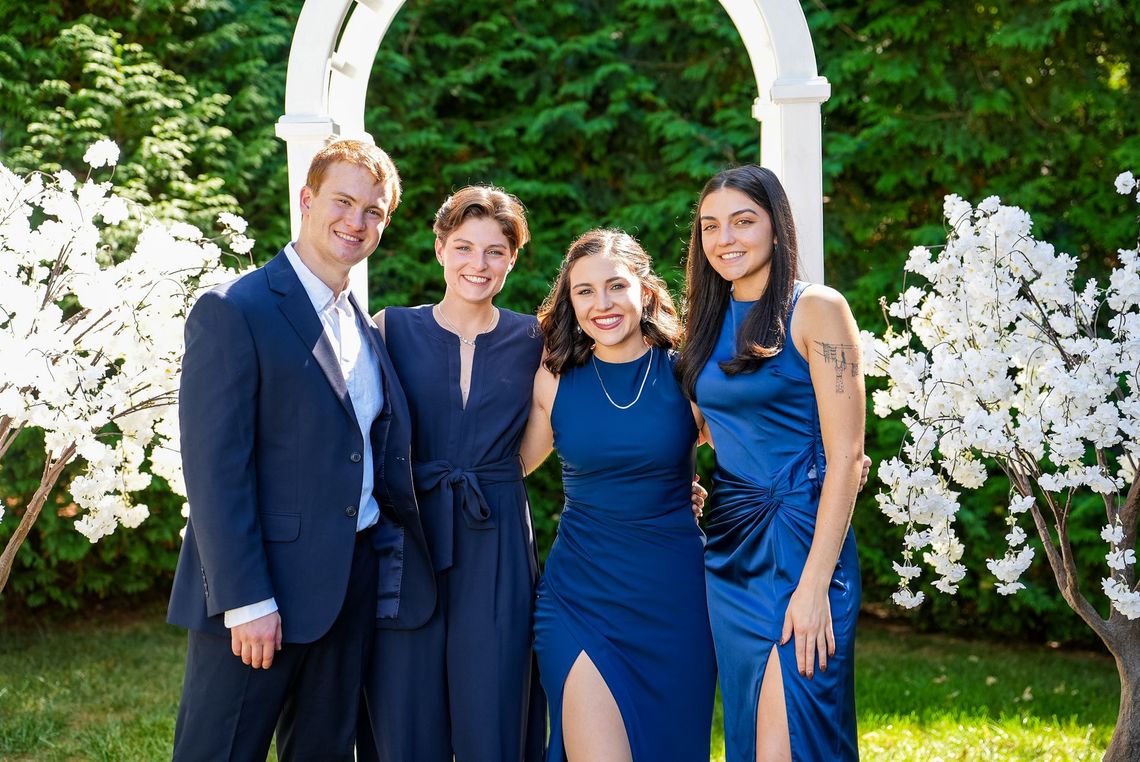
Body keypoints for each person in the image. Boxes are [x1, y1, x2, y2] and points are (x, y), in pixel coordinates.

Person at [167, 139, 435, 761]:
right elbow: (213, 472)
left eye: (374, 211)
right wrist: (246, 601)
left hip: (348, 586)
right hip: (259, 599)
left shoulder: (359, 322)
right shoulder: (237, 309)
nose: (357, 221)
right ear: (307, 199)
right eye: (343, 201)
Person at [675, 165, 864, 761]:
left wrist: (813, 587)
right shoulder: (704, 323)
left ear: (777, 229)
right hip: (730, 548)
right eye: (710, 226)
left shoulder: (817, 310)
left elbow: (847, 457)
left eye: (742, 221)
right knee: (753, 734)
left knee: (797, 731)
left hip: (804, 542)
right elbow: (702, 423)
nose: (724, 238)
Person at [357, 185, 546, 762]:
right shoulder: (389, 328)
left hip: (496, 537)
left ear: (512, 259)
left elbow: (547, 434)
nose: (478, 265)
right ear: (440, 248)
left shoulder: (535, 339)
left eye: (495, 251)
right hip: (408, 534)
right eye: (464, 247)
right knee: (403, 702)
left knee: (495, 699)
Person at [520, 228, 718, 762]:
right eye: (584, 291)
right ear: (570, 300)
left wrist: (838, 459)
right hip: (579, 599)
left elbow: (755, 456)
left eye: (615, 286)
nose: (601, 304)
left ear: (645, 291)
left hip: (674, 601)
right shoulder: (553, 379)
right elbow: (503, 470)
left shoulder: (689, 375)